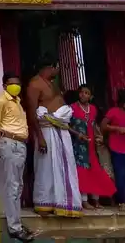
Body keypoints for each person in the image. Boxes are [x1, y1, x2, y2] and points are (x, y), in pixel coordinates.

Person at [27, 60, 82, 217]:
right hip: (46, 131)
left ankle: (63, 203)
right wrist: (40, 137)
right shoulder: (35, 84)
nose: (58, 70)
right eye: (56, 67)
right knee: (46, 167)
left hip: (61, 131)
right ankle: (44, 202)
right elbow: (32, 112)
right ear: (49, 67)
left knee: (65, 166)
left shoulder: (53, 84)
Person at [0, 73, 37, 242]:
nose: (15, 86)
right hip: (9, 143)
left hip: (20, 145)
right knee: (12, 186)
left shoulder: (17, 102)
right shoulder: (0, 101)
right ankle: (14, 228)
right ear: (4, 85)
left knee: (18, 186)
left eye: (17, 83)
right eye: (11, 84)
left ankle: (16, 223)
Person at [69, 84, 116, 208]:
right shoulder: (71, 108)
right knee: (82, 170)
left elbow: (94, 125)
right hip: (78, 145)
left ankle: (95, 199)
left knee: (95, 169)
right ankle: (84, 200)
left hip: (91, 144)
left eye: (87, 93)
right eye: (81, 92)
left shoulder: (93, 109)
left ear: (91, 96)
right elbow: (66, 126)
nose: (83, 95)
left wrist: (98, 138)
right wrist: (77, 134)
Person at [102, 89, 125, 211]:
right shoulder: (113, 112)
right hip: (116, 148)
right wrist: (118, 129)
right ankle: (121, 202)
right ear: (124, 104)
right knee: (120, 176)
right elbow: (103, 126)